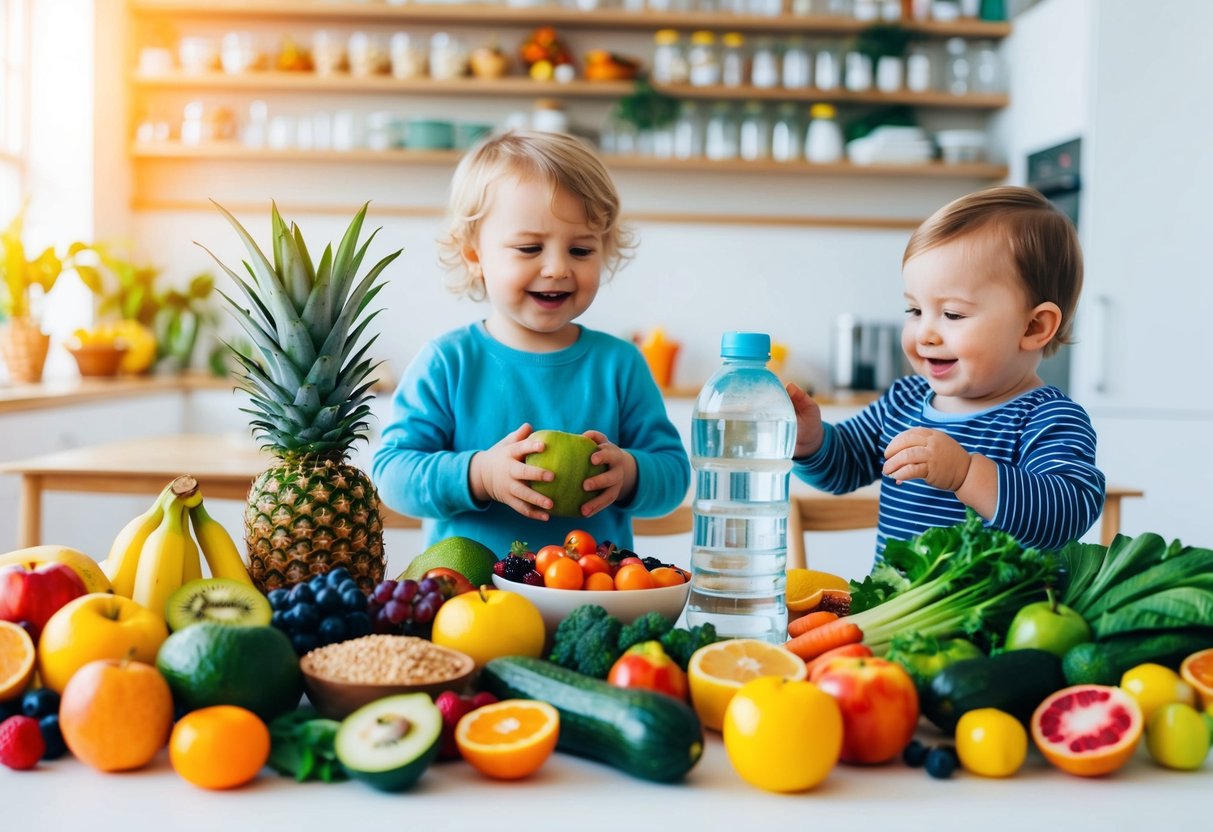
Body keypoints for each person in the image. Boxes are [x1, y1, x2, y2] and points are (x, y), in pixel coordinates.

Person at [372, 130, 690, 559]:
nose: (558, 268)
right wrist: (479, 474)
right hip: (469, 606)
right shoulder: (447, 363)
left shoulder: (621, 365)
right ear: (474, 256)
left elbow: (673, 473)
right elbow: (392, 475)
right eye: (529, 247)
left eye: (580, 250)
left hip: (592, 598)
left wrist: (630, 473)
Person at [790, 186, 1105, 554]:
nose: (925, 333)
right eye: (915, 311)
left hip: (1001, 612)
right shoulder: (903, 402)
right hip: (896, 610)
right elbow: (843, 465)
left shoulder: (1049, 419)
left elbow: (1064, 516)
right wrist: (810, 442)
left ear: (1033, 327)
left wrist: (966, 473)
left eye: (952, 314)